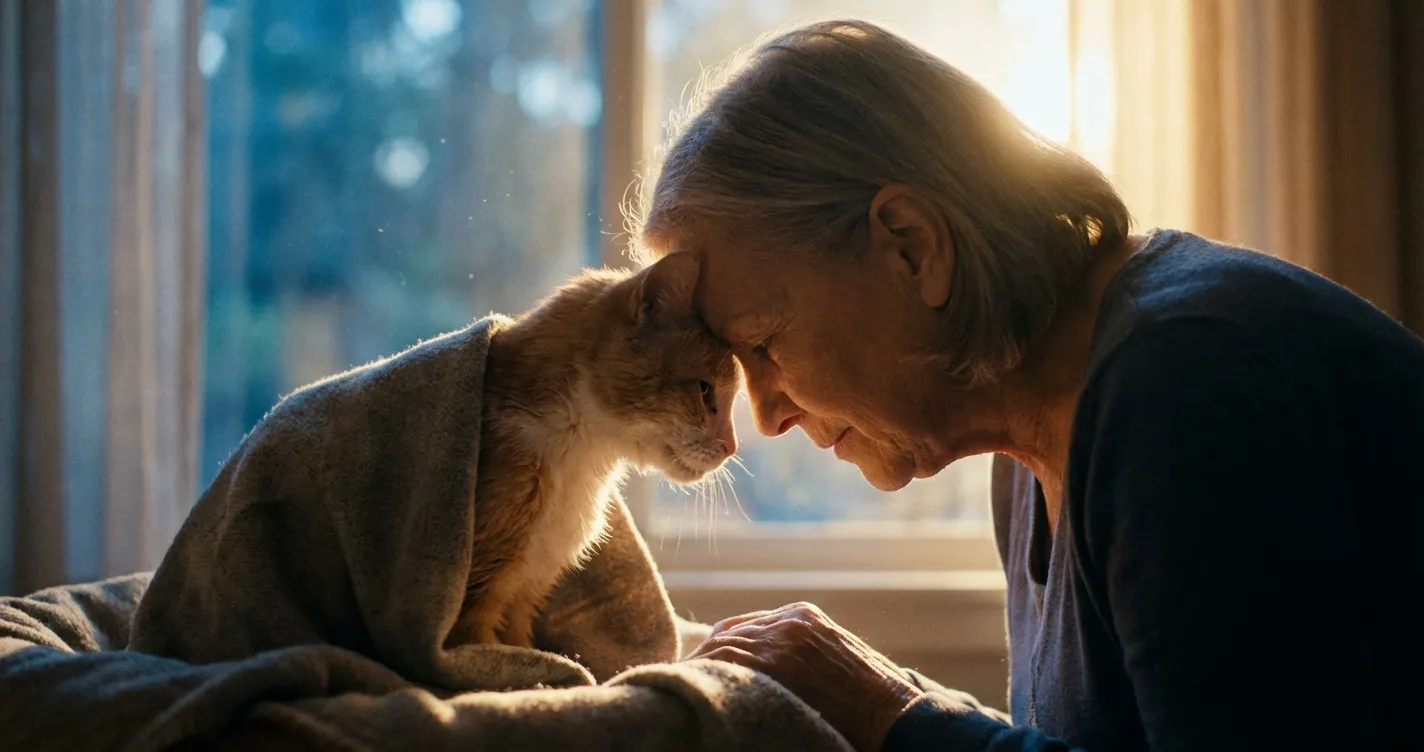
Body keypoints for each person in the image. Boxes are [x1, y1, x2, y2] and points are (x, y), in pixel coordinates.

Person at [639, 19, 1424, 752]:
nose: (767, 417)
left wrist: (890, 713)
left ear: (911, 247)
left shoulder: (1185, 383)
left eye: (765, 344)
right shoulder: (1023, 451)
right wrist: (880, 699)